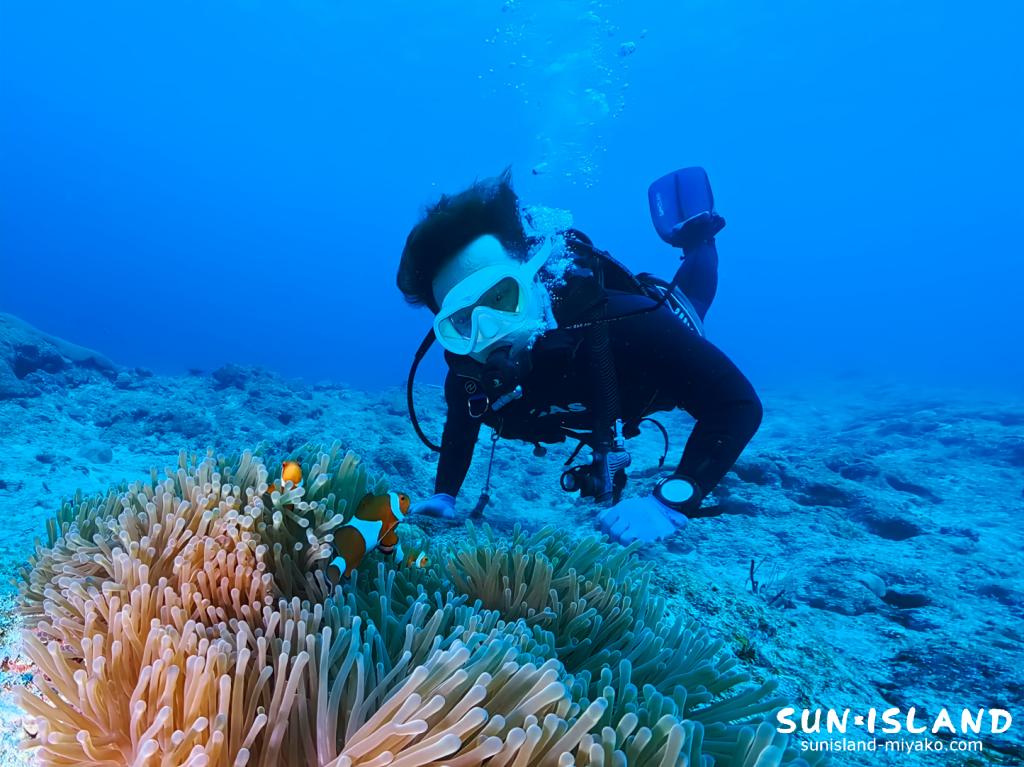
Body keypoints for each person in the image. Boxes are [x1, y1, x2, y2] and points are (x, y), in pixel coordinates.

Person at [396, 168, 762, 545]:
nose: (489, 331)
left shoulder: (631, 324)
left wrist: (670, 501)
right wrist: (445, 496)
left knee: (693, 300)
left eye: (502, 297)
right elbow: (461, 426)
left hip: (653, 363)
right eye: (462, 320)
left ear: (534, 276)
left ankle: (698, 236)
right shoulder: (468, 378)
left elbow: (736, 403)